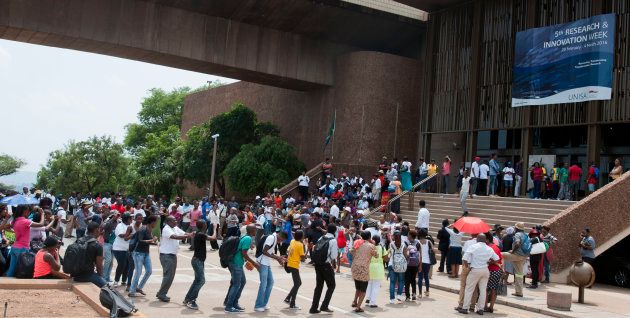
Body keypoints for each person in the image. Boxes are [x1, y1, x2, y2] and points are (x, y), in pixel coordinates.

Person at [456, 234, 499, 315]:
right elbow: (497, 259)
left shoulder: (473, 247)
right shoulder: (489, 248)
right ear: (485, 240)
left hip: (475, 269)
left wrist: (467, 266)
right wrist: (489, 262)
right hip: (485, 270)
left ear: (477, 239)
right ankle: (480, 309)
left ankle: (465, 308)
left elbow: (464, 258)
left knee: (469, 289)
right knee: (483, 290)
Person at [225, 224, 260, 313]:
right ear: (252, 231)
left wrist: (245, 262)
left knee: (242, 282)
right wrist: (254, 263)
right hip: (236, 264)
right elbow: (244, 253)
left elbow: (241, 251)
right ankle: (229, 306)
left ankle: (234, 303)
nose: (256, 231)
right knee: (236, 284)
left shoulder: (245, 237)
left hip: (237, 263)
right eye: (255, 229)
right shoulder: (248, 239)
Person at [156, 216, 192, 302]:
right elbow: (175, 237)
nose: (176, 221)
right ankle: (162, 294)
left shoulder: (175, 227)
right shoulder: (166, 229)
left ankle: (161, 292)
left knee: (169, 276)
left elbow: (184, 233)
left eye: (176, 220)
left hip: (172, 254)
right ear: (168, 222)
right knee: (168, 276)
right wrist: (189, 237)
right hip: (166, 255)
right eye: (173, 220)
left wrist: (190, 234)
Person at [183, 220, 216, 310]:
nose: (206, 225)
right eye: (205, 224)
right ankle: (191, 300)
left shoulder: (199, 233)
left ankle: (187, 299)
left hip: (198, 260)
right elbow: (213, 238)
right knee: (201, 281)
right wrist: (215, 228)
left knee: (197, 281)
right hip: (197, 261)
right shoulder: (201, 234)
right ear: (203, 225)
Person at [6, 205, 46, 277]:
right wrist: (42, 214)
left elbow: (5, 227)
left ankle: (7, 284)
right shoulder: (25, 221)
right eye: (28, 211)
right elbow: (41, 224)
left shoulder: (14, 221)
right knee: (22, 270)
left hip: (14, 247)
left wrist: (13, 231)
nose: (29, 213)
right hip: (22, 249)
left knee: (11, 268)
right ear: (25, 212)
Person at [254, 230, 287, 312]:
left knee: (270, 282)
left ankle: (264, 303)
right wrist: (277, 258)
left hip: (266, 262)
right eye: (282, 240)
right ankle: (258, 305)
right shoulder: (271, 238)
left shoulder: (274, 238)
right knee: (264, 283)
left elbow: (270, 253)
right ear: (280, 236)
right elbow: (264, 251)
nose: (281, 242)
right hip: (262, 262)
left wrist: (279, 258)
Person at [309, 224, 338, 314]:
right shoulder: (333, 240)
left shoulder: (321, 238)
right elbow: (333, 256)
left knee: (319, 286)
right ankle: (324, 306)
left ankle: (313, 308)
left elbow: (315, 248)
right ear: (334, 231)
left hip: (317, 264)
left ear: (327, 229)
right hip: (325, 265)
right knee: (331, 285)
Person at [128, 215, 159, 298]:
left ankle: (139, 287)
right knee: (138, 272)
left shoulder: (150, 230)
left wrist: (155, 243)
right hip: (138, 253)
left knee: (149, 271)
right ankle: (131, 291)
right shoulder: (143, 229)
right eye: (156, 222)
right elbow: (140, 241)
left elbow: (149, 241)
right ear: (152, 222)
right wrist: (152, 240)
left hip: (145, 253)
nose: (156, 224)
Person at [72, 222, 107, 287]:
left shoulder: (78, 241)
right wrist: (100, 278)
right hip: (87, 276)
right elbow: (99, 267)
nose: (100, 232)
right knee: (107, 288)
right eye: (100, 230)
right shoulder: (97, 245)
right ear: (96, 230)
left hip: (75, 274)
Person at [350, 231, 376, 313]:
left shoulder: (357, 243)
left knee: (358, 287)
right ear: (369, 237)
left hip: (355, 267)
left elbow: (351, 251)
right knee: (363, 290)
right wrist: (373, 244)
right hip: (364, 268)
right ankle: (358, 307)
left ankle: (354, 301)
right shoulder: (371, 246)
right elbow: (376, 255)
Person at [501, 222, 529, 297]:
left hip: (516, 255)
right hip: (523, 256)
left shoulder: (517, 234)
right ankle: (519, 292)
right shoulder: (526, 235)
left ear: (516, 228)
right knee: (519, 274)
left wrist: (512, 251)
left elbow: (517, 243)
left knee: (499, 254)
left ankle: (499, 273)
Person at [284, 230, 306, 310]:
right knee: (297, 284)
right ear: (301, 237)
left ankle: (288, 298)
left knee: (298, 283)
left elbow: (288, 250)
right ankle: (292, 304)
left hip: (290, 264)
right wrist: (307, 249)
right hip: (294, 265)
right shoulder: (300, 245)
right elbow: (303, 258)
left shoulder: (292, 241)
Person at [484, 232, 502, 313]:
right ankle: (491, 307)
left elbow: (491, 260)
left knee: (486, 289)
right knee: (494, 289)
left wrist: (487, 263)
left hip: (489, 271)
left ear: (487, 240)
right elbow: (500, 259)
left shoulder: (487, 248)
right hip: (497, 271)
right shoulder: (496, 247)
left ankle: (484, 306)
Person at [365, 235, 386, 308]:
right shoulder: (382, 248)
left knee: (369, 284)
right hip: (378, 268)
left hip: (369, 266)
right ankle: (372, 302)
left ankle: (368, 299)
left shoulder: (369, 247)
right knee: (376, 286)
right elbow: (386, 258)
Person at [112, 212, 132, 287]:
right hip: (118, 249)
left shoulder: (130, 226)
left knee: (127, 265)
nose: (131, 219)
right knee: (122, 264)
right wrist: (131, 234)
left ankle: (124, 281)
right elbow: (121, 235)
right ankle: (116, 281)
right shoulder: (120, 226)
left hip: (127, 249)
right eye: (130, 218)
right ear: (126, 219)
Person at [388, 230, 407, 304]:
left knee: (392, 282)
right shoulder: (403, 245)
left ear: (394, 237)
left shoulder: (391, 244)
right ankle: (399, 295)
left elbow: (389, 253)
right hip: (401, 266)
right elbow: (406, 255)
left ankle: (392, 299)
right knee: (401, 281)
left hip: (392, 264)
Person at [417, 229, 434, 297]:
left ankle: (420, 293)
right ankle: (427, 291)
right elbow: (433, 250)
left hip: (420, 262)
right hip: (427, 262)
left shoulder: (418, 242)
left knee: (420, 277)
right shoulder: (429, 241)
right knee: (426, 276)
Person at [404, 230, 419, 301]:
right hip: (415, 264)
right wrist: (420, 265)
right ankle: (414, 294)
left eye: (408, 234)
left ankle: (407, 296)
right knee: (413, 279)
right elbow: (420, 255)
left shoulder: (406, 243)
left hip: (408, 264)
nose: (407, 235)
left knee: (407, 280)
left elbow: (405, 253)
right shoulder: (418, 243)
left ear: (410, 235)